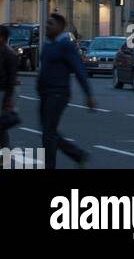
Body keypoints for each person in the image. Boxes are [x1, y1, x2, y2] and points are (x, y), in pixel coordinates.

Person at [37, 11, 95, 169]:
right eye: (47, 23)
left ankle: (52, 164)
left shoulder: (65, 45)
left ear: (60, 27)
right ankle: (78, 155)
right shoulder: (49, 44)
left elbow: (79, 69)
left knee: (49, 132)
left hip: (58, 93)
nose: (47, 27)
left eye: (51, 24)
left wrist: (88, 94)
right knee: (48, 131)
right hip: (45, 94)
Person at [0, 24, 20, 151]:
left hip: (2, 91)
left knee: (1, 126)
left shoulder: (9, 54)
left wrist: (8, 98)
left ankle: (5, 154)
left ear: (2, 38)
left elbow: (12, 78)